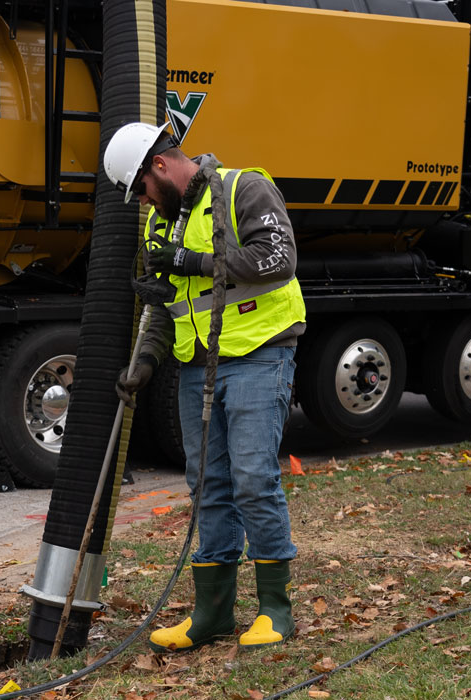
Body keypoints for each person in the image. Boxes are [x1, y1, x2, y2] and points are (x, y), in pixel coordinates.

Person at [104, 122, 306, 653]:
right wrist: (144, 364)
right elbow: (164, 309)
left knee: (253, 479)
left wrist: (189, 262)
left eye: (143, 189)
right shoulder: (162, 226)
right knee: (206, 485)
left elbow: (277, 260)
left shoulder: (244, 189)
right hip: (198, 368)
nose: (144, 203)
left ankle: (274, 611)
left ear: (160, 166)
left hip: (261, 354)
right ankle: (212, 614)